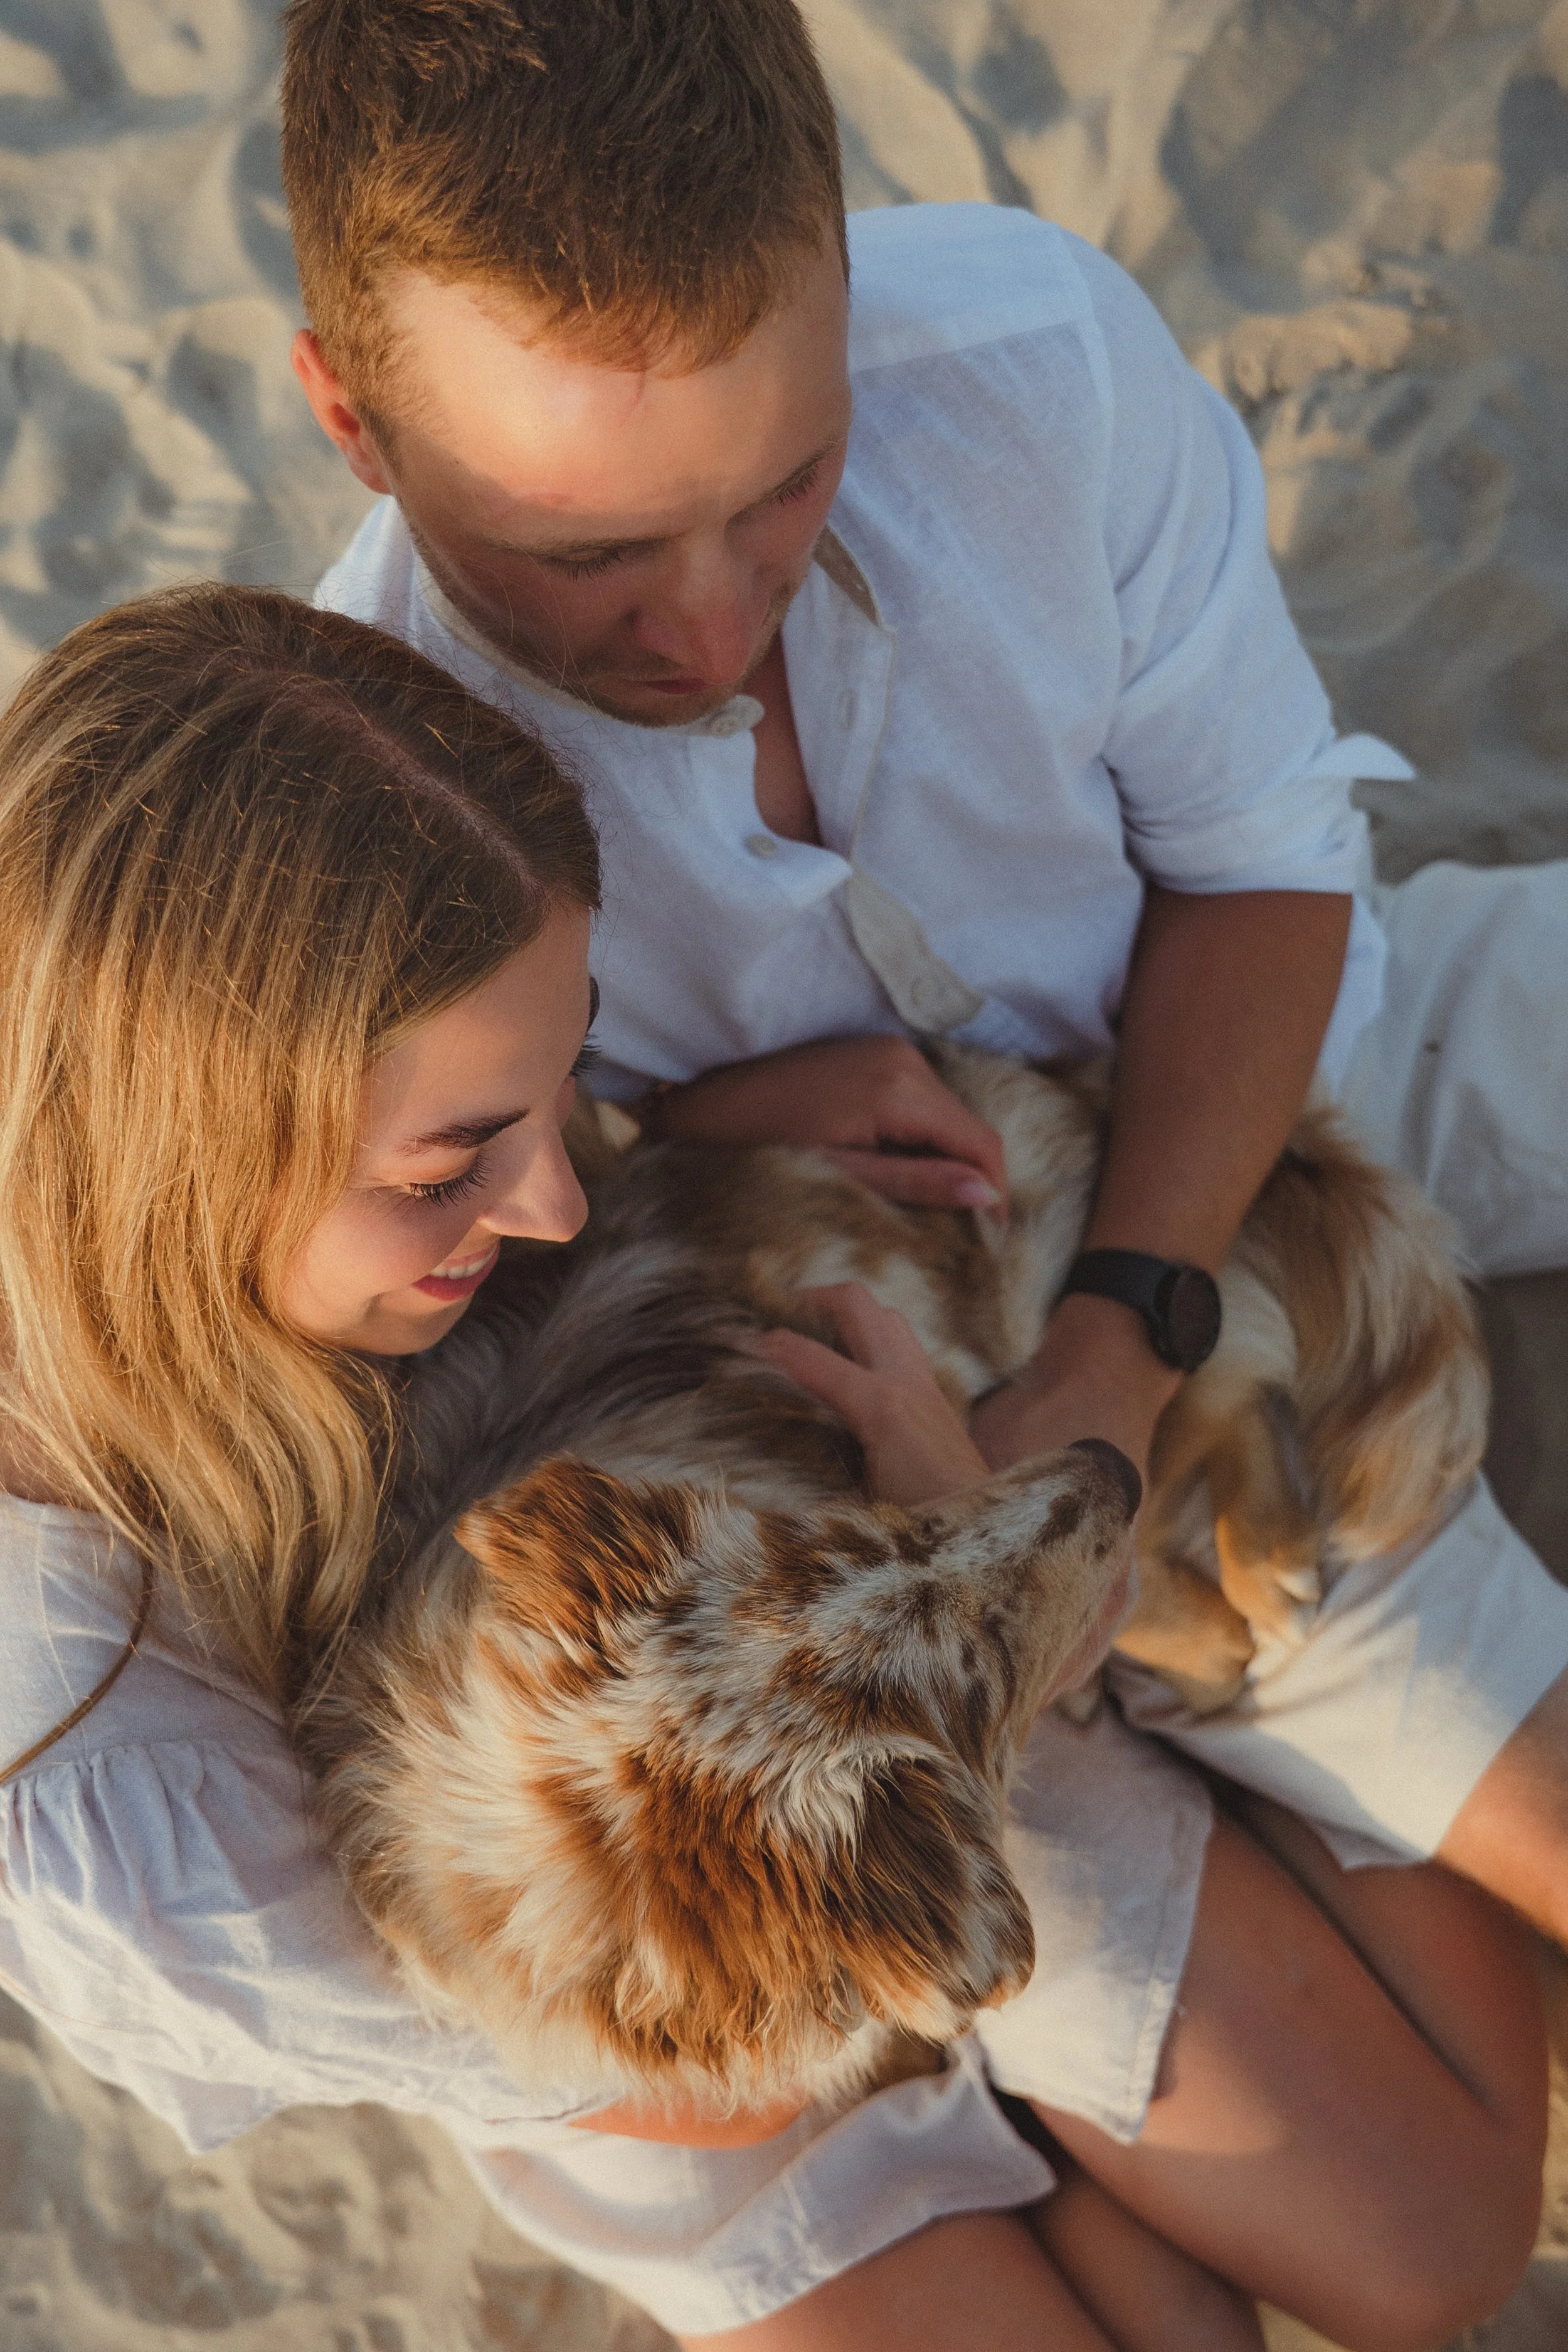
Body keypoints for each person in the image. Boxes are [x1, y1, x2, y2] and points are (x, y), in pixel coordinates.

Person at [281, 0, 1568, 2340]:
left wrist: (1121, 1329)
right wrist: (669, 1130)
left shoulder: (1033, 364)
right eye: (587, 553)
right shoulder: (368, 791)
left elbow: (1264, 882)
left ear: (850, 288)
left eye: (780, 482)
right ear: (346, 412)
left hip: (1262, 1076)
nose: (705, 616)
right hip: (923, 1459)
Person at [0, 580, 1256, 2352]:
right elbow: (662, 2080)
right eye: (456, 1166)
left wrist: (684, 1124)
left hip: (809, 1726)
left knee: (1405, 2234)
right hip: (636, 2042)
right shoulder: (95, 1772)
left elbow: (523, 1172)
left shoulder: (202, 1184)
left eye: (556, 1085)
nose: (552, 1209)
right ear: (176, 1155)